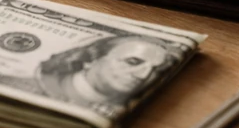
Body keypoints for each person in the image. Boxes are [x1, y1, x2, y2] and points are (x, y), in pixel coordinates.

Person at [35, 34, 182, 109]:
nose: (144, 75)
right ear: (90, 59)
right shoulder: (39, 84)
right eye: (133, 62)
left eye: (155, 69)